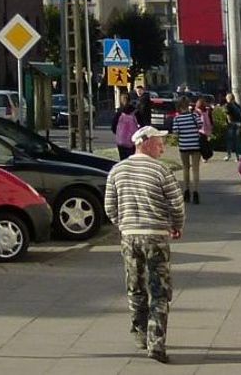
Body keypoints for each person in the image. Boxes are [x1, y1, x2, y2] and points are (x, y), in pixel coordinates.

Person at [104, 125, 185, 363]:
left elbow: (110, 206)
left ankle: (139, 331)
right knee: (159, 289)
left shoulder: (117, 170)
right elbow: (176, 203)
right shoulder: (161, 170)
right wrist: (176, 225)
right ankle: (156, 342)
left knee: (135, 284)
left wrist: (123, 224)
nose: (162, 147)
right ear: (145, 143)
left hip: (129, 235)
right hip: (156, 235)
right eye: (159, 142)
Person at [170, 97, 202, 203]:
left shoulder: (177, 119)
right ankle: (196, 192)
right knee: (196, 169)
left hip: (184, 145)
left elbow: (175, 132)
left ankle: (186, 191)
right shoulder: (194, 115)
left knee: (186, 168)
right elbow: (200, 125)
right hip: (195, 145)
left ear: (179, 106)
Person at [113, 96, 139, 160]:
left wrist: (118, 133)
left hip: (121, 140)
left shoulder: (119, 112)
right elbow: (141, 124)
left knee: (122, 158)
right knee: (132, 159)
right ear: (130, 101)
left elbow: (113, 126)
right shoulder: (135, 112)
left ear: (121, 101)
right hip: (133, 140)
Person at [222, 92, 241, 160]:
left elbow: (227, 115)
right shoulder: (238, 106)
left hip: (232, 124)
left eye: (226, 98)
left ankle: (228, 155)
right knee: (237, 141)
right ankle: (237, 157)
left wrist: (228, 122)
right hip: (239, 124)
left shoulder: (228, 105)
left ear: (228, 98)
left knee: (229, 140)